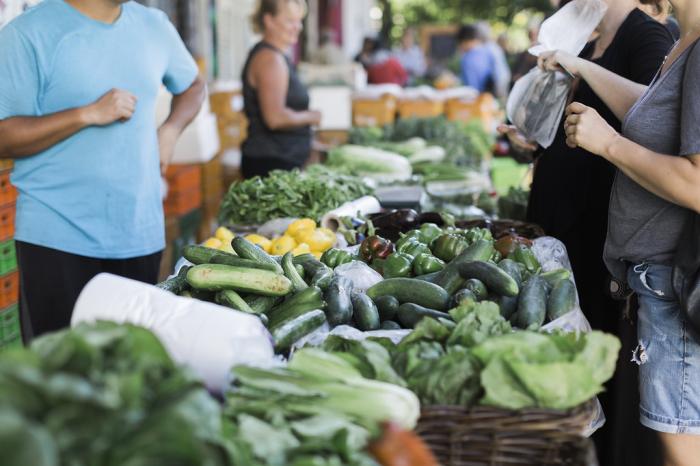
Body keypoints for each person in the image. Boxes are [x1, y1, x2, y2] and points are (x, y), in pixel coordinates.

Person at [499, 1, 673, 464]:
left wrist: (580, 68)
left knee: (596, 356)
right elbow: (574, 122)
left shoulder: (644, 35)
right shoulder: (588, 37)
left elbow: (654, 112)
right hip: (564, 224)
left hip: (598, 232)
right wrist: (534, 137)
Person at [543, 0, 700, 462]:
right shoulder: (684, 41)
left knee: (683, 447)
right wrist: (578, 66)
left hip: (678, 283)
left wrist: (608, 143)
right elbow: (652, 113)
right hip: (660, 282)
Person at [0, 0, 205, 340]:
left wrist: (170, 131)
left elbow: (194, 86)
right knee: (61, 378)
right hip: (56, 237)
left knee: (129, 373)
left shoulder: (154, 25)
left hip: (139, 232)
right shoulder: (27, 33)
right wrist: (86, 114)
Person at [241, 0, 321, 178]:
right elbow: (275, 118)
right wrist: (312, 116)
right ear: (269, 20)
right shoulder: (270, 60)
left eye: (299, 20)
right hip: (271, 164)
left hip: (280, 160)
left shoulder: (276, 56)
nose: (298, 27)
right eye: (290, 21)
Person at [456, 24, 496, 93]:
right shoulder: (487, 51)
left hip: (475, 98)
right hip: (488, 97)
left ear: (465, 41)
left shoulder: (467, 59)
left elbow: (472, 88)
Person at [476, 22, 512, 99]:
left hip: (499, 77)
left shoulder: (487, 47)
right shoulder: (492, 45)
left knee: (500, 100)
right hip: (502, 76)